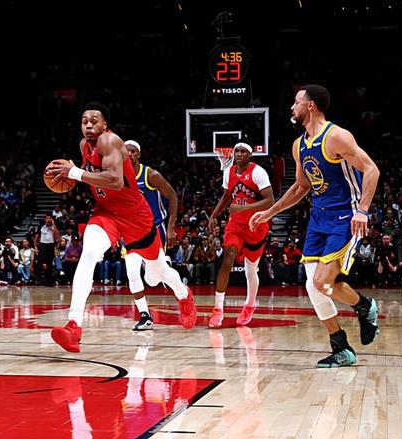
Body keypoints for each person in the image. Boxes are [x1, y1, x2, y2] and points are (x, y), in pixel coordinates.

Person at [46, 103, 196, 352]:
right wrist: (72, 173)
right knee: (89, 254)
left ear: (105, 125)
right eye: (84, 121)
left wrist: (75, 173)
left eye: (94, 120)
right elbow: (92, 177)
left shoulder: (110, 141)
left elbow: (115, 181)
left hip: (135, 216)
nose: (89, 125)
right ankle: (74, 325)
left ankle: (183, 294)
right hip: (106, 213)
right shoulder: (84, 147)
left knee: (157, 273)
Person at [250, 84, 380, 368]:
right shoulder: (299, 145)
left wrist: (363, 211)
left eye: (296, 102)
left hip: (345, 217)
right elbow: (301, 186)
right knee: (313, 285)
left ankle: (365, 307)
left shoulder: (337, 136)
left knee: (322, 282)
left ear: (310, 105)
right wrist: (270, 211)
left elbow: (371, 169)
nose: (292, 107)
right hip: (319, 220)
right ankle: (342, 347)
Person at [207, 142, 274, 328]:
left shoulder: (258, 172)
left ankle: (250, 305)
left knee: (250, 269)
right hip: (235, 225)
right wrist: (214, 215)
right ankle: (218, 309)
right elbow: (226, 196)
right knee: (227, 259)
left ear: (250, 155)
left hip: (256, 225)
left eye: (243, 151)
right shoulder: (228, 172)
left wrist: (243, 208)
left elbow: (270, 200)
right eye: (236, 151)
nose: (238, 154)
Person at [123, 139, 181, 330]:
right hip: (130, 231)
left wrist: (171, 227)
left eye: (132, 151)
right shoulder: (117, 176)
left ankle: (182, 293)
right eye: (125, 151)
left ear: (138, 154)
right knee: (132, 273)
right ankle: (145, 316)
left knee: (153, 278)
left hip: (154, 229)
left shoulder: (150, 175)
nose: (129, 153)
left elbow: (173, 196)